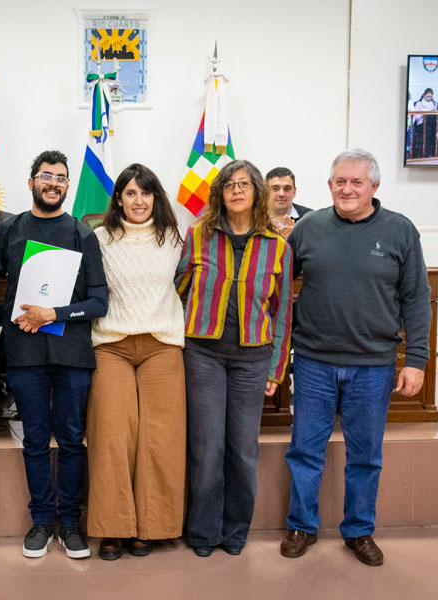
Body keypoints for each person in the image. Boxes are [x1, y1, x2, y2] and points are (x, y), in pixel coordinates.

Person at [281, 149, 431, 567]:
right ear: (329, 186)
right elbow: (275, 287)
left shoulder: (401, 231)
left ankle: (359, 530)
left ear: (374, 187)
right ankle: (301, 525)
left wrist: (415, 360)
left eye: (357, 182)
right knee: (305, 450)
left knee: (365, 454)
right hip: (313, 361)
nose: (347, 189)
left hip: (374, 365)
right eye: (340, 181)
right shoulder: (308, 228)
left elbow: (417, 300)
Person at [0, 150, 108, 560]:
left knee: (73, 441)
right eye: (46, 176)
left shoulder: (82, 234)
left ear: (67, 186)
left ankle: (70, 523)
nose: (53, 183)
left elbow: (99, 303)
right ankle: (41, 520)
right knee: (36, 441)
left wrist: (53, 314)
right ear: (31, 183)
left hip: (72, 355)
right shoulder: (8, 231)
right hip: (24, 355)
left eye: (60, 178)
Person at [176, 159, 292, 557]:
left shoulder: (278, 246)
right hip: (203, 354)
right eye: (229, 185)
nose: (237, 190)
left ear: (257, 191)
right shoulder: (198, 236)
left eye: (244, 184)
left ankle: (236, 530)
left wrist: (277, 369)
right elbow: (176, 292)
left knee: (243, 449)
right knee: (207, 446)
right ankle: (204, 532)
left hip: (252, 359)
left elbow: (282, 314)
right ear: (220, 194)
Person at [86, 164, 186, 561]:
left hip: (162, 345)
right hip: (111, 345)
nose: (139, 201)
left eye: (146, 193)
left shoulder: (175, 239)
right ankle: (114, 529)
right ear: (119, 200)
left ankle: (153, 527)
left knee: (160, 439)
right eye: (130, 193)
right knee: (112, 437)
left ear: (156, 198)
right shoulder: (99, 239)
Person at [265, 167, 311, 238]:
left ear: (294, 192)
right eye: (275, 188)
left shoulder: (310, 218)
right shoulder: (253, 218)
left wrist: (293, 240)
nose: (281, 194)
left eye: (287, 188)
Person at [412, 88, 438, 158]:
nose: (429, 98)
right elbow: (416, 117)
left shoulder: (434, 104)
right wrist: (425, 113)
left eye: (431, 97)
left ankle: (433, 151)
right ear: (424, 95)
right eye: (427, 97)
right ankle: (426, 152)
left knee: (434, 128)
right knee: (428, 130)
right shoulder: (419, 104)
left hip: (431, 122)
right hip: (421, 123)